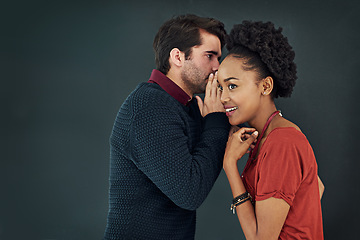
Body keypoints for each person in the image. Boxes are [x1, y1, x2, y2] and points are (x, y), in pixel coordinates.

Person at [103, 14, 230, 239]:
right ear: (178, 57)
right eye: (209, 56)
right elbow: (190, 193)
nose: (217, 67)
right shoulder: (149, 105)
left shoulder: (186, 106)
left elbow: (201, 162)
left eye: (218, 58)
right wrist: (215, 122)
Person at [217, 21, 324, 239]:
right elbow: (317, 187)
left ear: (265, 86)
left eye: (232, 85)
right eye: (220, 87)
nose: (223, 97)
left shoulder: (281, 142)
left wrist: (229, 165)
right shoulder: (274, 135)